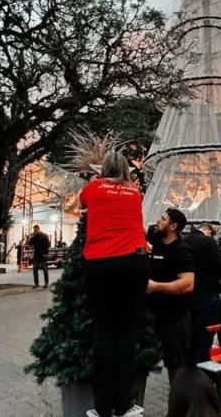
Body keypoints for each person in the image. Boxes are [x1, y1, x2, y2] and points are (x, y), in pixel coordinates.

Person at [77, 151, 149, 417]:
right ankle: (124, 404)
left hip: (101, 263)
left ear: (103, 168)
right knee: (127, 333)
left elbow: (80, 204)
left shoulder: (93, 188)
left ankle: (102, 407)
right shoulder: (134, 193)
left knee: (103, 333)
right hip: (135, 262)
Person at [147, 208, 195, 382]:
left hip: (174, 318)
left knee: (175, 365)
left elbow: (188, 284)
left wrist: (156, 286)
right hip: (153, 315)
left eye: (163, 219)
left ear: (173, 226)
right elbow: (137, 227)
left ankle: (178, 404)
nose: (158, 221)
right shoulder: (157, 239)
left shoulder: (182, 250)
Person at [185, 223, 221, 364]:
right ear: (207, 230)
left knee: (190, 331)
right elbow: (218, 265)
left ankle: (188, 364)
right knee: (204, 334)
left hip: (187, 291)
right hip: (207, 293)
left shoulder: (184, 240)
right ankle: (202, 365)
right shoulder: (209, 242)